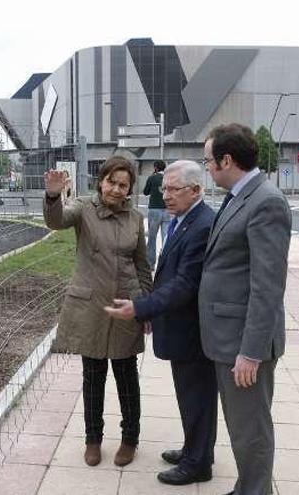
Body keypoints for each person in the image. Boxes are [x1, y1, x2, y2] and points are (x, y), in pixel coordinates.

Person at [104, 160, 217, 486]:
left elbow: (184, 284)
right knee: (190, 394)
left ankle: (198, 463)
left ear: (196, 190)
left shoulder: (201, 226)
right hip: (181, 325)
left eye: (173, 189)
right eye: (164, 188)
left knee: (198, 396)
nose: (165, 195)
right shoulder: (185, 219)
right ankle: (195, 450)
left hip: (192, 330)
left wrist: (140, 307)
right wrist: (151, 310)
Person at [198, 123, 291, 495]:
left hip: (243, 345)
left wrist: (251, 352)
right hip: (226, 337)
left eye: (208, 161)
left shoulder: (266, 201)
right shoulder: (239, 195)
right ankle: (246, 488)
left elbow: (267, 287)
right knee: (241, 427)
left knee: (251, 429)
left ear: (227, 159)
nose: (206, 168)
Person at [42, 156, 152, 468]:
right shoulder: (82, 208)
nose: (116, 189)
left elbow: (143, 265)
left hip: (124, 306)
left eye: (123, 185)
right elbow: (57, 220)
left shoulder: (135, 219)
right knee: (93, 377)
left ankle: (130, 439)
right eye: (112, 182)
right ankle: (93, 439)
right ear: (101, 181)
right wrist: (52, 196)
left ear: (130, 189)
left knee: (126, 377)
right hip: (90, 307)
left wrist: (145, 307)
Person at [143, 160, 171, 267]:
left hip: (154, 210)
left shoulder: (152, 178)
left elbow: (146, 192)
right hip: (168, 210)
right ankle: (166, 264)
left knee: (152, 237)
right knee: (166, 238)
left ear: (155, 167)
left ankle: (151, 263)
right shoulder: (169, 178)